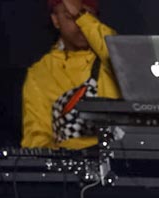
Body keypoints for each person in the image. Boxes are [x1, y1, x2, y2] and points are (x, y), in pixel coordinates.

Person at [21, 0, 118, 149]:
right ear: (56, 20)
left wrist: (80, 15)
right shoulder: (40, 73)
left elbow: (118, 52)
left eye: (87, 14)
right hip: (69, 164)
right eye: (70, 17)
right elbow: (36, 138)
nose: (80, 25)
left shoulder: (106, 57)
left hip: (116, 157)